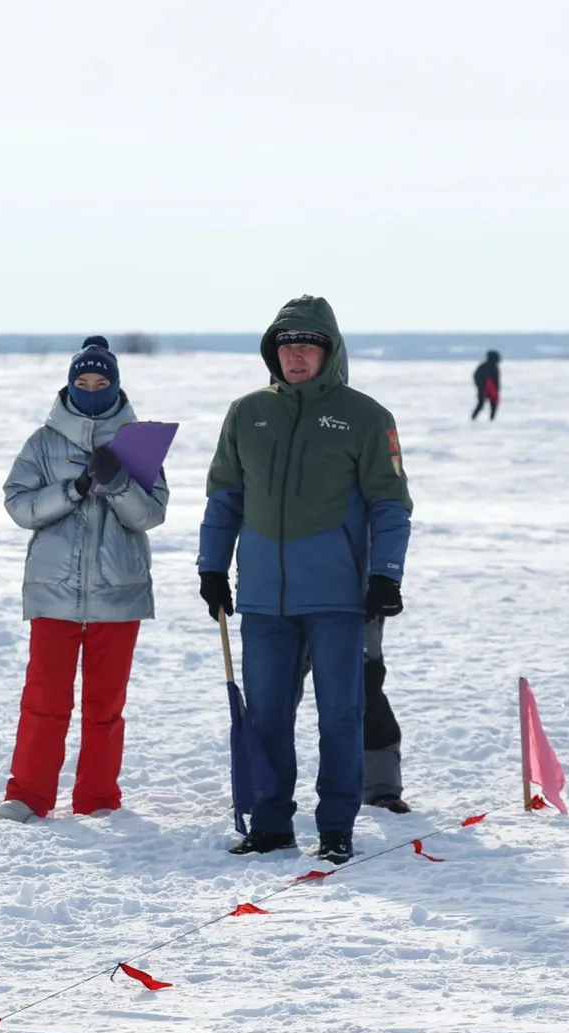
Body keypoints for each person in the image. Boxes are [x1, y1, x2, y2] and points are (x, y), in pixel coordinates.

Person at [197, 297, 412, 863]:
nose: (295, 355)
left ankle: (336, 825)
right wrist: (212, 567)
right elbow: (225, 498)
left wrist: (385, 576)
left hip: (339, 596)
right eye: (286, 345)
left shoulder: (367, 417)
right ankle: (271, 824)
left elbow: (391, 505)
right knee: (267, 715)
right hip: (264, 596)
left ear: (328, 351)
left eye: (307, 345)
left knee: (341, 713)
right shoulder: (247, 413)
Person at [0, 336, 170, 822]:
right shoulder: (43, 442)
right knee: (44, 700)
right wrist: (72, 489)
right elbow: (19, 505)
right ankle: (28, 796)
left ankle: (97, 799)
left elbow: (150, 514)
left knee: (105, 705)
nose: (92, 389)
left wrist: (116, 486)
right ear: (69, 385)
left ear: (115, 386)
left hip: (119, 592)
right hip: (54, 593)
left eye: (101, 381)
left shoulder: (138, 442)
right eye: (83, 381)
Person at [288, 616, 408, 813]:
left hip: (353, 600)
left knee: (363, 686)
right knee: (274, 694)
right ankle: (260, 789)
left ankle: (381, 788)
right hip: (279, 601)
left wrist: (385, 585)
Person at [472, 349, 501, 420]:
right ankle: (474, 418)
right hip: (485, 389)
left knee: (491, 404)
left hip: (490, 389)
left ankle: (491, 419)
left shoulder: (489, 367)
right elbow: (477, 377)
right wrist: (481, 386)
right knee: (483, 404)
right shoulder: (488, 367)